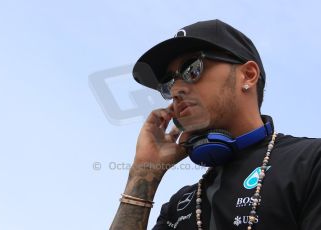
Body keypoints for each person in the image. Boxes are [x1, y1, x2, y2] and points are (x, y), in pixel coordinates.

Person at [110, 19, 321, 230]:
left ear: (248, 75)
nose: (176, 90)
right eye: (169, 83)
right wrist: (145, 171)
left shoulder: (311, 161)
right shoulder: (177, 208)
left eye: (191, 69)